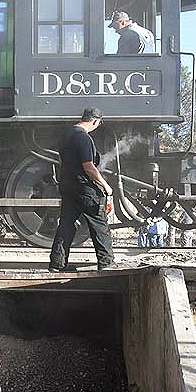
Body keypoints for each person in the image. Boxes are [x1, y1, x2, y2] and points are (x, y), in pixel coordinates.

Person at [49, 107, 116, 271]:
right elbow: (89, 167)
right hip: (84, 189)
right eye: (98, 124)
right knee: (99, 224)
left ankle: (57, 264)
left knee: (66, 225)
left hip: (67, 186)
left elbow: (61, 160)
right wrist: (106, 186)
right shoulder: (83, 138)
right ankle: (107, 263)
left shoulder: (66, 135)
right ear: (94, 121)